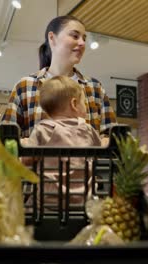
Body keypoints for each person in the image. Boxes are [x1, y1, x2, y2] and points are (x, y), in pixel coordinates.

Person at [1, 15, 117, 138]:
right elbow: (6, 139)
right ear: (52, 38)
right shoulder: (25, 86)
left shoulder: (95, 88)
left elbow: (112, 138)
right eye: (75, 36)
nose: (82, 43)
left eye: (84, 38)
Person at [23, 75, 101, 209]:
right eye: (84, 102)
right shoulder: (87, 129)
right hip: (83, 203)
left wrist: (24, 145)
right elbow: (100, 153)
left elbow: (26, 160)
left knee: (29, 202)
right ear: (74, 104)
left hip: (47, 204)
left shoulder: (42, 129)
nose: (85, 107)